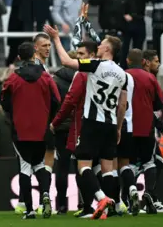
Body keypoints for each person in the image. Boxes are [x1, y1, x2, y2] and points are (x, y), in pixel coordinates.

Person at [44, 24, 128, 219]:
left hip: (91, 122)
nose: (99, 45)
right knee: (108, 170)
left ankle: (101, 199)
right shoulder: (123, 74)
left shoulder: (95, 65)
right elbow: (122, 104)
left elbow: (66, 61)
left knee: (84, 167)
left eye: (102, 44)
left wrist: (56, 38)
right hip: (110, 123)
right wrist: (118, 128)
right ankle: (111, 207)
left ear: (107, 49)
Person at [2, 42, 60, 219]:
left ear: (19, 58)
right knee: (40, 164)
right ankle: (45, 195)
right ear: (34, 54)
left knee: (25, 168)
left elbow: (4, 101)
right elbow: (57, 100)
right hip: (41, 129)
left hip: (20, 130)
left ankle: (29, 209)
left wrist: (15, 112)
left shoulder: (13, 78)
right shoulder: (45, 77)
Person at [120, 49, 163, 215]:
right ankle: (148, 194)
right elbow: (159, 104)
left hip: (127, 127)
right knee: (149, 162)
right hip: (146, 127)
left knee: (127, 164)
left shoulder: (122, 76)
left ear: (128, 60)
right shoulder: (150, 78)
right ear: (143, 61)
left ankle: (127, 198)